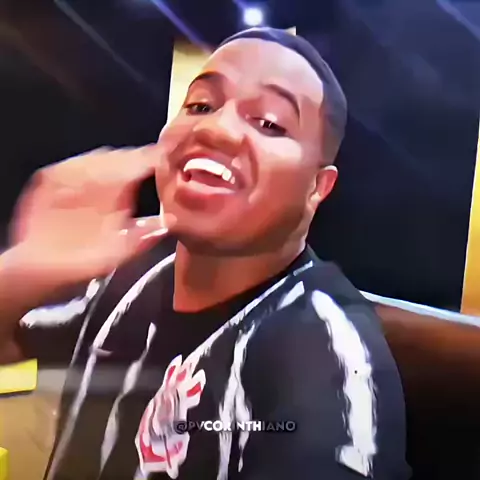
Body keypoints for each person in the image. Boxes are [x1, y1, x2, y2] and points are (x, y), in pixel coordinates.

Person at [0, 28, 409, 479]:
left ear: (317, 187)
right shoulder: (129, 272)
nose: (215, 128)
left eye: (269, 123)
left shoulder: (329, 359)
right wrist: (24, 270)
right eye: (200, 106)